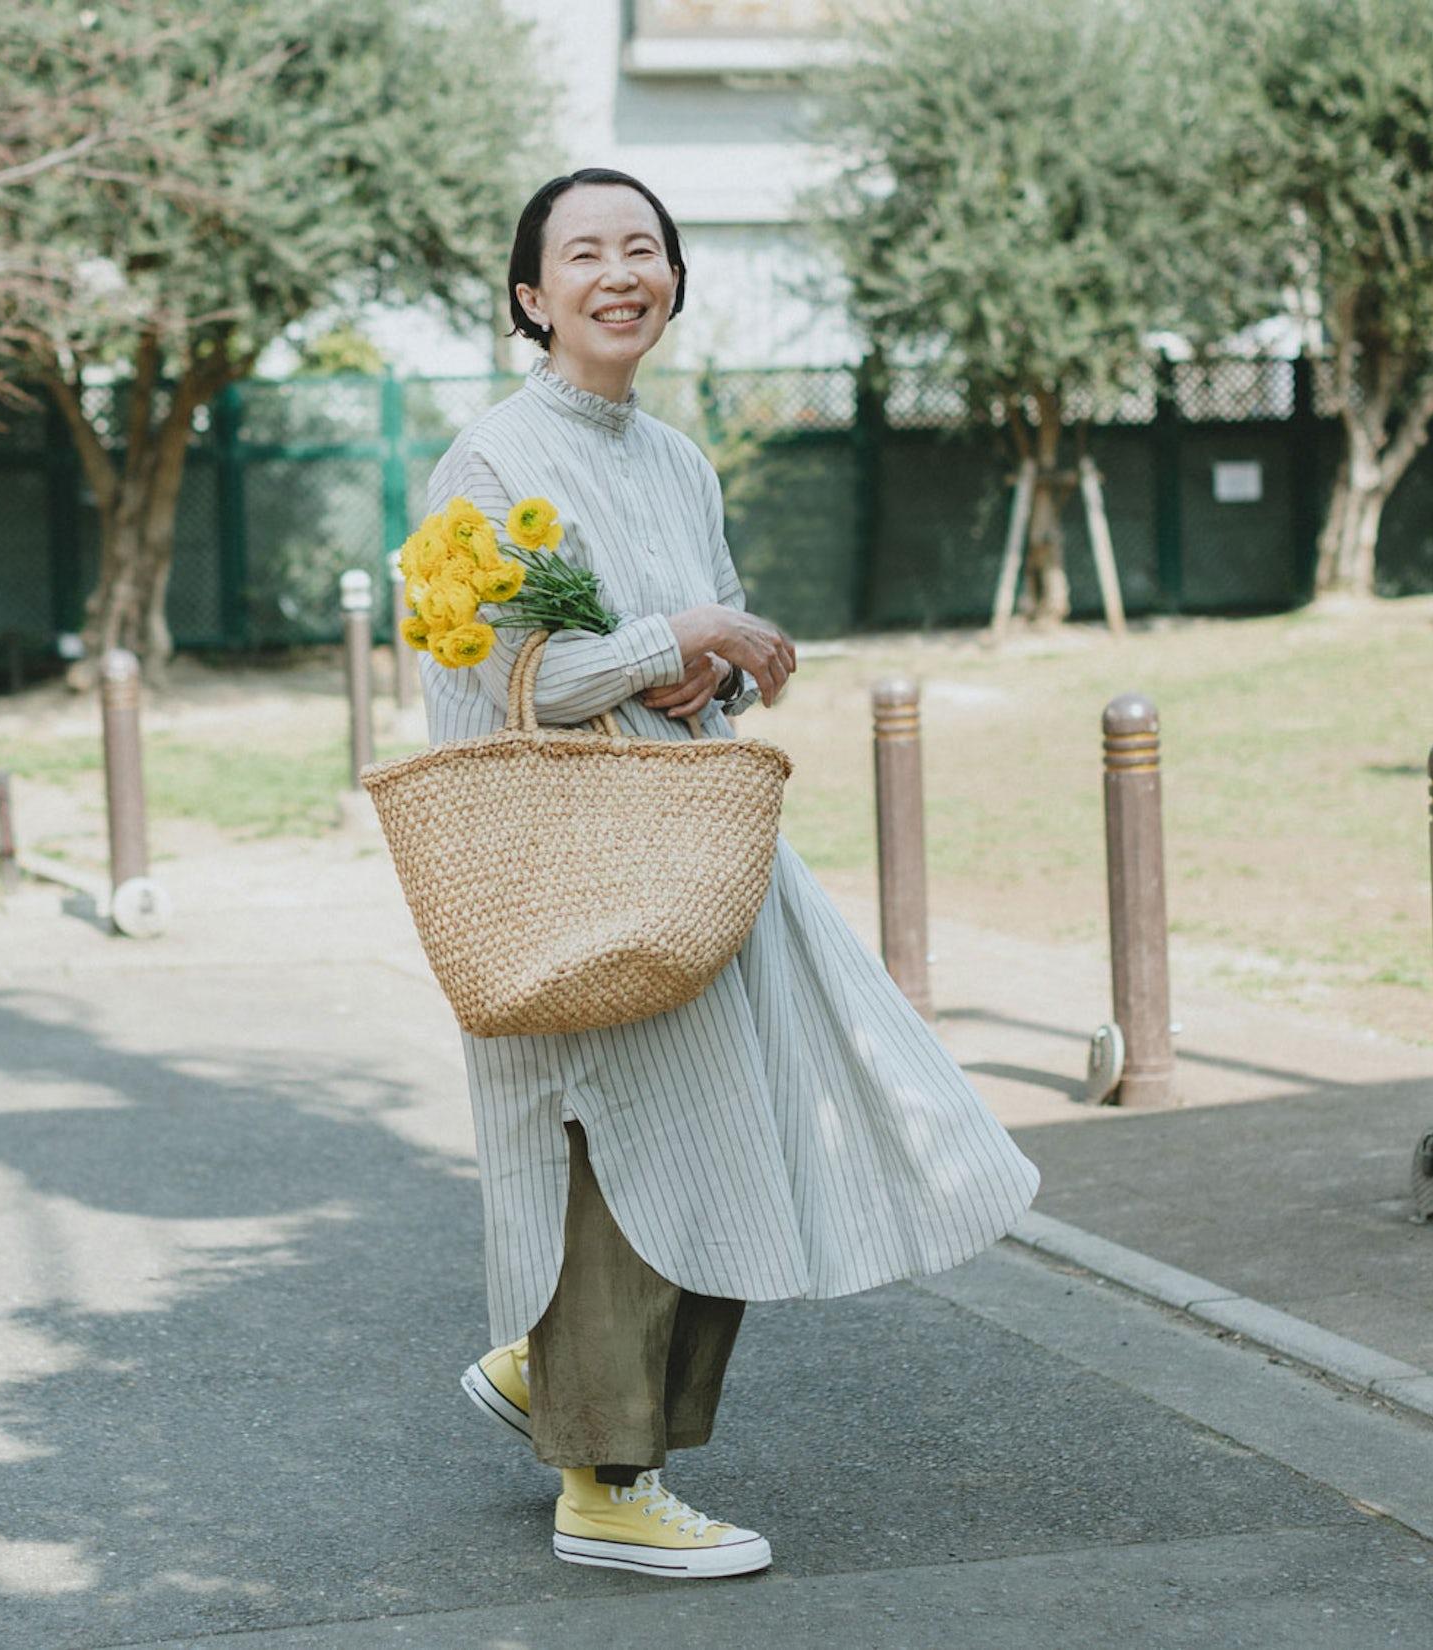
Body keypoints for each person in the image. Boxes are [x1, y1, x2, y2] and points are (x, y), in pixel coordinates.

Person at [422, 168, 1040, 1580]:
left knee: (724, 1127)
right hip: (577, 862)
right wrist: (669, 635)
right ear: (531, 297)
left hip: (692, 844)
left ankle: (556, 1376)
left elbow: (662, 678)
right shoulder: (489, 465)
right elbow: (488, 693)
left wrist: (712, 667)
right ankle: (605, 1472)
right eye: (584, 253)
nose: (618, 272)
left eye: (643, 247)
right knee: (621, 1133)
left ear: (674, 281)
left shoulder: (680, 458)